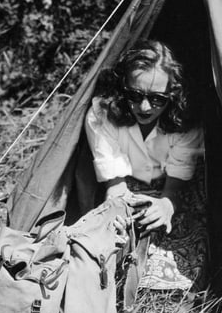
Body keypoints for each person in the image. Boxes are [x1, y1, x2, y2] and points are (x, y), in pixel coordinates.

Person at [84, 39, 206, 290]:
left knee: (180, 254)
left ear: (173, 94)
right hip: (126, 189)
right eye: (134, 95)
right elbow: (115, 187)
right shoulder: (101, 114)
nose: (144, 107)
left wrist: (166, 205)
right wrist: (119, 215)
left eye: (157, 99)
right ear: (122, 88)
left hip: (172, 188)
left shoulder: (187, 123)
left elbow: (174, 189)